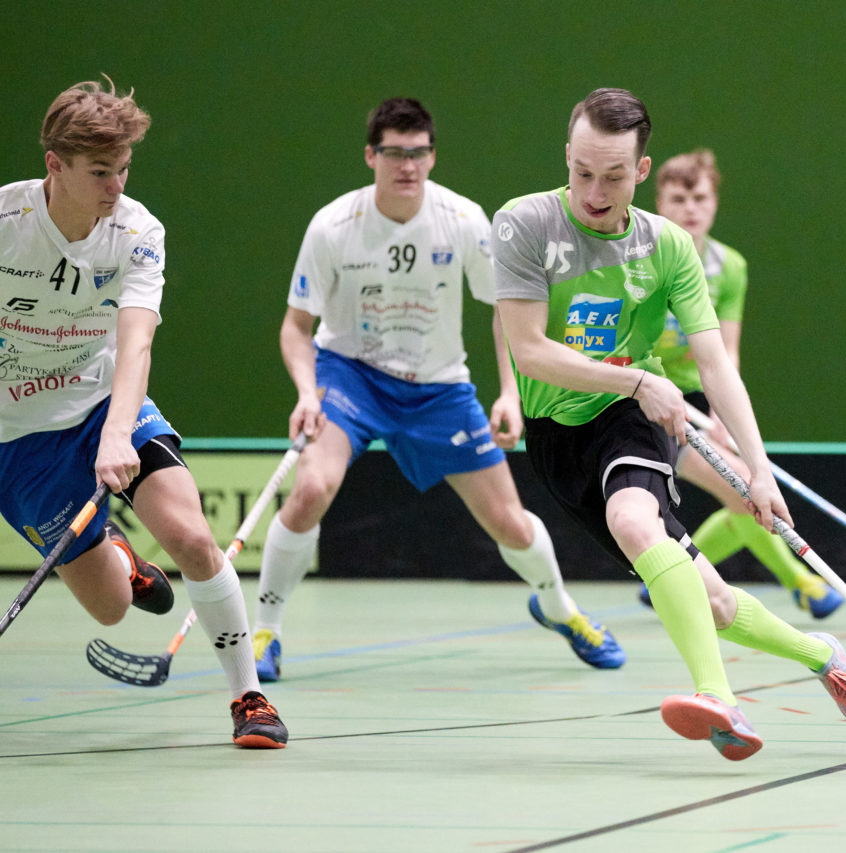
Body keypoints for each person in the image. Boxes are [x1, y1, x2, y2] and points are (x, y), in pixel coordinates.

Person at [0, 77, 287, 750]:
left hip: (105, 402)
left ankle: (248, 697)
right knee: (111, 607)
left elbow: (136, 344)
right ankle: (122, 558)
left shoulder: (137, 231)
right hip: (17, 437)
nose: (116, 186)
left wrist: (117, 431)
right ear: (55, 165)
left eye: (124, 169)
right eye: (100, 172)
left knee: (192, 537)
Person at [492, 87, 846, 761]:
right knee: (713, 603)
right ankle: (825, 656)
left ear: (641, 170)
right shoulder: (524, 224)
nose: (594, 192)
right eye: (582, 172)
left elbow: (715, 365)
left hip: (630, 417)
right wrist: (638, 379)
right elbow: (529, 350)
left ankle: (719, 698)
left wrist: (758, 471)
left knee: (633, 520)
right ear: (566, 156)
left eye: (613, 176)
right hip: (557, 434)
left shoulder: (669, 247)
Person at [251, 97, 624, 682]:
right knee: (312, 488)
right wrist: (305, 391)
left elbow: (508, 311)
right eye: (394, 153)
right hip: (351, 376)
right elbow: (296, 328)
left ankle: (560, 609)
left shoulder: (464, 220)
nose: (408, 165)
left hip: (438, 389)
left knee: (509, 521)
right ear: (371, 156)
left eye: (419, 153)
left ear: (432, 156)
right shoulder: (333, 227)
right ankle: (265, 631)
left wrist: (510, 392)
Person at [638, 149, 844, 618]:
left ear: (714, 202)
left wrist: (721, 415)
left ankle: (672, 578)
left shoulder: (729, 266)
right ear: (659, 203)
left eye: (700, 198)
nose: (691, 208)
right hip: (647, 396)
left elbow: (725, 351)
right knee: (741, 491)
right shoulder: (641, 256)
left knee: (744, 491)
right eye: (678, 199)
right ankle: (800, 582)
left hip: (696, 397)